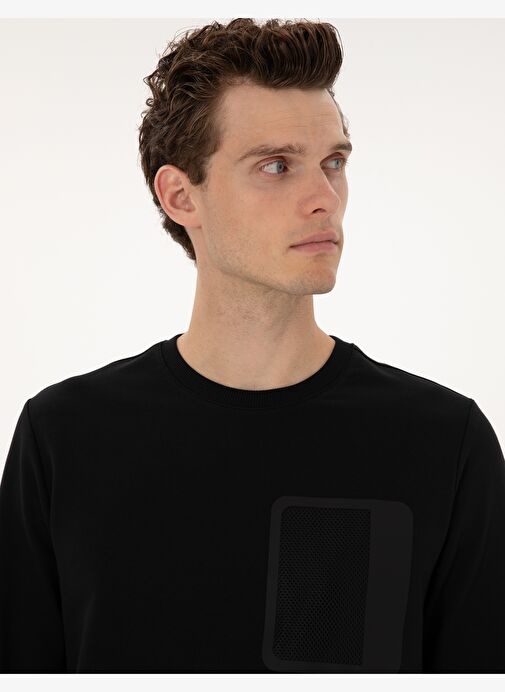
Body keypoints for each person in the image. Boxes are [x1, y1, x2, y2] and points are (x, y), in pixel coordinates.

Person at [1, 18, 504, 674]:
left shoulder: (444, 443)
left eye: (334, 163)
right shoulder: (64, 438)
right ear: (181, 195)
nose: (324, 198)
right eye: (276, 166)